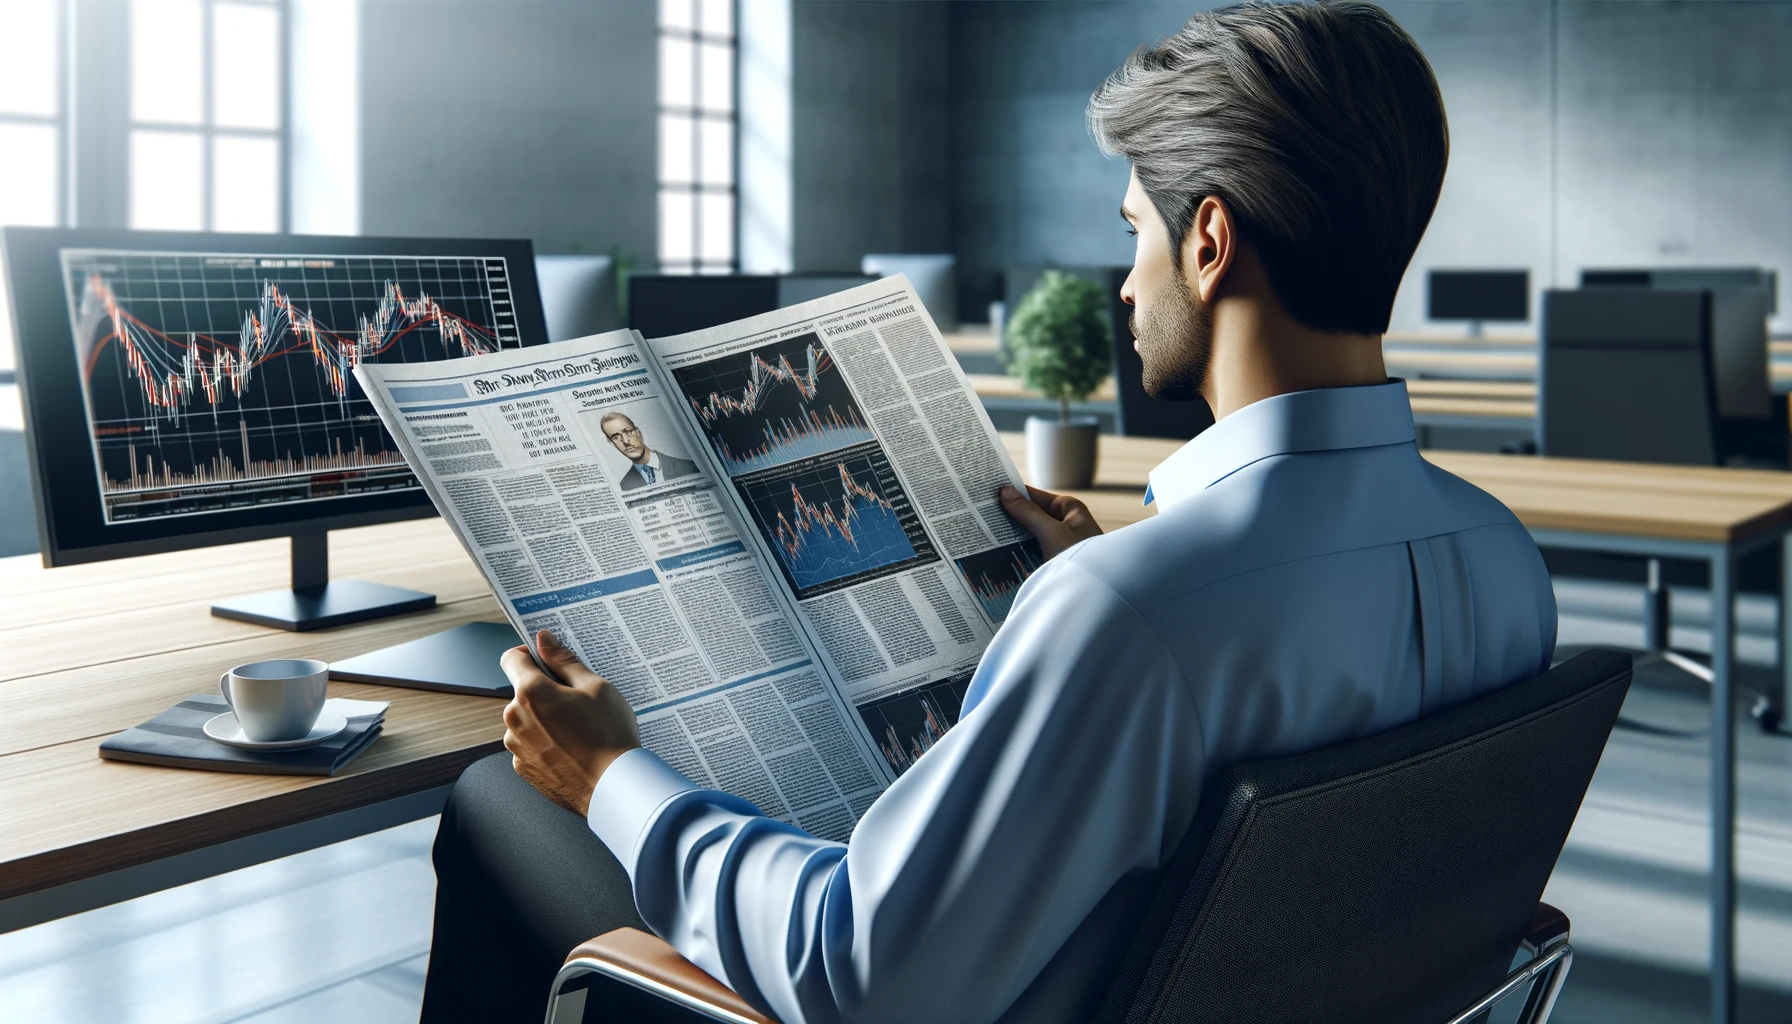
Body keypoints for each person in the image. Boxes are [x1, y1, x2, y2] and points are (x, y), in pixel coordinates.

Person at [420, 4, 1558, 1022]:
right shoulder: (1503, 562)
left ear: (1207, 243)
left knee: (495, 800)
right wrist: (1122, 583)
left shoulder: (1129, 618)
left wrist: (610, 775)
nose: (1126, 285)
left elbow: (859, 972)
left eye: (1134, 233)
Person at [600, 410, 698, 489]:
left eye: (629, 432)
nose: (625, 441)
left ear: (638, 432)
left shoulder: (688, 466)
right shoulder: (625, 486)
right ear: (611, 442)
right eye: (616, 437)